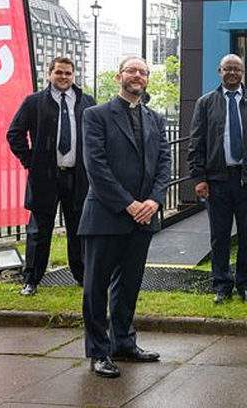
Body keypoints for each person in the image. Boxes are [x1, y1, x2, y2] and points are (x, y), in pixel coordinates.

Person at [78, 57, 171, 378]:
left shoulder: (156, 120)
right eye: (132, 70)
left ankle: (123, 343)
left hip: (144, 217)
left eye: (143, 72)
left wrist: (154, 201)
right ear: (119, 76)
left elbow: (164, 165)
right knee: (96, 287)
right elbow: (96, 166)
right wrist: (128, 203)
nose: (138, 76)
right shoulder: (95, 115)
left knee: (129, 285)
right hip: (105, 215)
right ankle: (99, 351)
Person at [188, 53, 247, 305]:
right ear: (220, 71)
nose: (233, 73)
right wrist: (199, 178)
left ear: (242, 72)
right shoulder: (205, 103)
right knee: (219, 235)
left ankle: (246, 284)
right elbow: (196, 143)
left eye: (237, 69)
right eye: (228, 69)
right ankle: (221, 284)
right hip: (217, 180)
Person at [7, 56, 96, 295]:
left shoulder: (87, 102)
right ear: (50, 74)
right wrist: (30, 162)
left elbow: (96, 137)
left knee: (79, 229)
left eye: (68, 73)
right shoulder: (34, 102)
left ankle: (82, 276)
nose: (64, 77)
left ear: (73, 75)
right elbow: (14, 133)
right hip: (45, 177)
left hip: (78, 177)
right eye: (59, 73)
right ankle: (32, 279)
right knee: (38, 230)